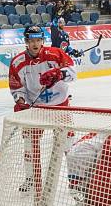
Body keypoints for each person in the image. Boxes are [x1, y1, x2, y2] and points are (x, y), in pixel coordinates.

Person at [9, 25, 77, 192]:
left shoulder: (55, 54)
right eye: (31, 40)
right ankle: (31, 178)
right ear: (26, 42)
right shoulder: (17, 62)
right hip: (36, 108)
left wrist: (59, 74)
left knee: (68, 144)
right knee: (29, 145)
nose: (35, 44)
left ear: (42, 41)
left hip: (60, 105)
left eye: (38, 40)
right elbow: (16, 88)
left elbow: (73, 72)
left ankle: (75, 180)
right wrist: (21, 100)